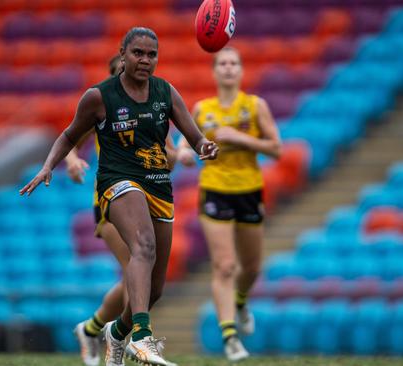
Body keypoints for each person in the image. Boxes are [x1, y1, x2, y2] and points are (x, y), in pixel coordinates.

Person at [21, 27, 218, 366]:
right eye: (138, 53)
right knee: (143, 248)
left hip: (158, 186)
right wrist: (49, 166)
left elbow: (194, 136)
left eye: (151, 54)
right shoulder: (99, 97)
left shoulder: (165, 92)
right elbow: (69, 136)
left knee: (153, 289)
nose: (145, 60)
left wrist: (204, 147)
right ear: (123, 53)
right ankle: (142, 338)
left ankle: (115, 332)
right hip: (118, 183)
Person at [66, 55, 178, 366]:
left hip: (145, 195)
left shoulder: (152, 110)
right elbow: (73, 139)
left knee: (143, 277)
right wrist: (73, 160)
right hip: (113, 199)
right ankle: (135, 340)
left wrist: (174, 154)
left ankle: (95, 329)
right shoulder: (105, 105)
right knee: (138, 260)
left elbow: (168, 157)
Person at [177, 47, 281, 362]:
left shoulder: (254, 105)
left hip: (249, 189)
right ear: (214, 71)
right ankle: (230, 336)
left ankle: (240, 301)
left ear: (241, 70)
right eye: (222, 63)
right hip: (215, 189)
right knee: (225, 265)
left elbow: (275, 148)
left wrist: (239, 138)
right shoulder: (202, 109)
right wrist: (184, 153)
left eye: (234, 63)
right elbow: (185, 143)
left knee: (251, 267)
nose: (228, 68)